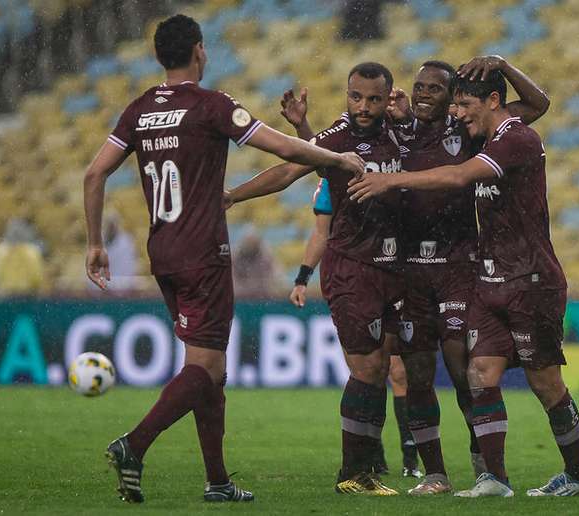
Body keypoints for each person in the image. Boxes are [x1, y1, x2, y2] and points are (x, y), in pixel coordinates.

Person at [83, 14, 364, 504]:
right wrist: (338, 159)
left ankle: (217, 482)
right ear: (198, 50)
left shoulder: (140, 109)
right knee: (207, 365)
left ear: (158, 57)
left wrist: (94, 243)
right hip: (203, 251)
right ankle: (135, 444)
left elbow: (94, 174)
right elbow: (278, 146)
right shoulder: (211, 106)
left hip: (163, 251)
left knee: (211, 370)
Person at [348, 67, 579, 498]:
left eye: (464, 104)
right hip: (490, 277)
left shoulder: (517, 138)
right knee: (480, 371)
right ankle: (494, 479)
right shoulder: (487, 136)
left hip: (530, 278)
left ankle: (578, 474)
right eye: (455, 104)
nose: (458, 113)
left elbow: (460, 175)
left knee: (545, 383)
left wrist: (391, 179)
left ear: (493, 102)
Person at [225, 62, 403, 495]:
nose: (363, 106)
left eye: (374, 99)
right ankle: (352, 473)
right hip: (351, 268)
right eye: (355, 97)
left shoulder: (402, 133)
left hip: (394, 269)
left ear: (388, 98)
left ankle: (371, 464)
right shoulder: (338, 138)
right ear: (345, 93)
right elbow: (289, 169)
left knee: (381, 368)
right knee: (365, 369)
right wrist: (231, 195)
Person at [289, 177, 421, 478]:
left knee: (397, 370)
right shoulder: (331, 182)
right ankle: (371, 458)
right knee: (368, 372)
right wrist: (302, 277)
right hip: (356, 282)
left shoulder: (392, 164)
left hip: (395, 275)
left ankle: (410, 459)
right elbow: (321, 232)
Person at [0, 218, 46, 298]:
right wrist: (37, 289)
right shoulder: (31, 250)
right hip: (27, 292)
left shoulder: (2, 250)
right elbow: (37, 274)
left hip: (7, 292)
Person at [88, 212, 139, 292]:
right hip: (100, 287)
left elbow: (130, 266)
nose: (111, 227)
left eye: (113, 225)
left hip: (123, 286)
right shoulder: (97, 241)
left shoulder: (126, 241)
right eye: (109, 225)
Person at [232, 229, 280, 298]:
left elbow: (275, 278)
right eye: (248, 243)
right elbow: (232, 282)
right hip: (241, 298)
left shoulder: (266, 257)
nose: (250, 245)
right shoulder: (235, 257)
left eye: (252, 243)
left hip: (263, 298)